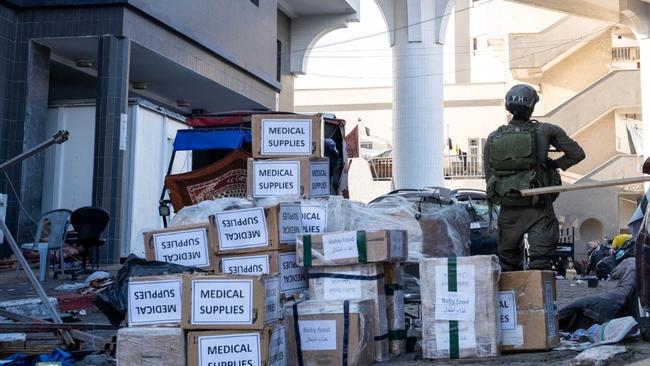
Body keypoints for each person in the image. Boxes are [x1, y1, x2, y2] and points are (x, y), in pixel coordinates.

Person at [484, 84, 585, 271]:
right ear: (532, 106)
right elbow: (577, 154)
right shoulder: (547, 131)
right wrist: (553, 165)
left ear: (508, 106)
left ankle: (512, 299)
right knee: (540, 265)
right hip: (539, 208)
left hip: (509, 210)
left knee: (508, 266)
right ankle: (538, 299)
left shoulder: (493, 137)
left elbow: (489, 177)